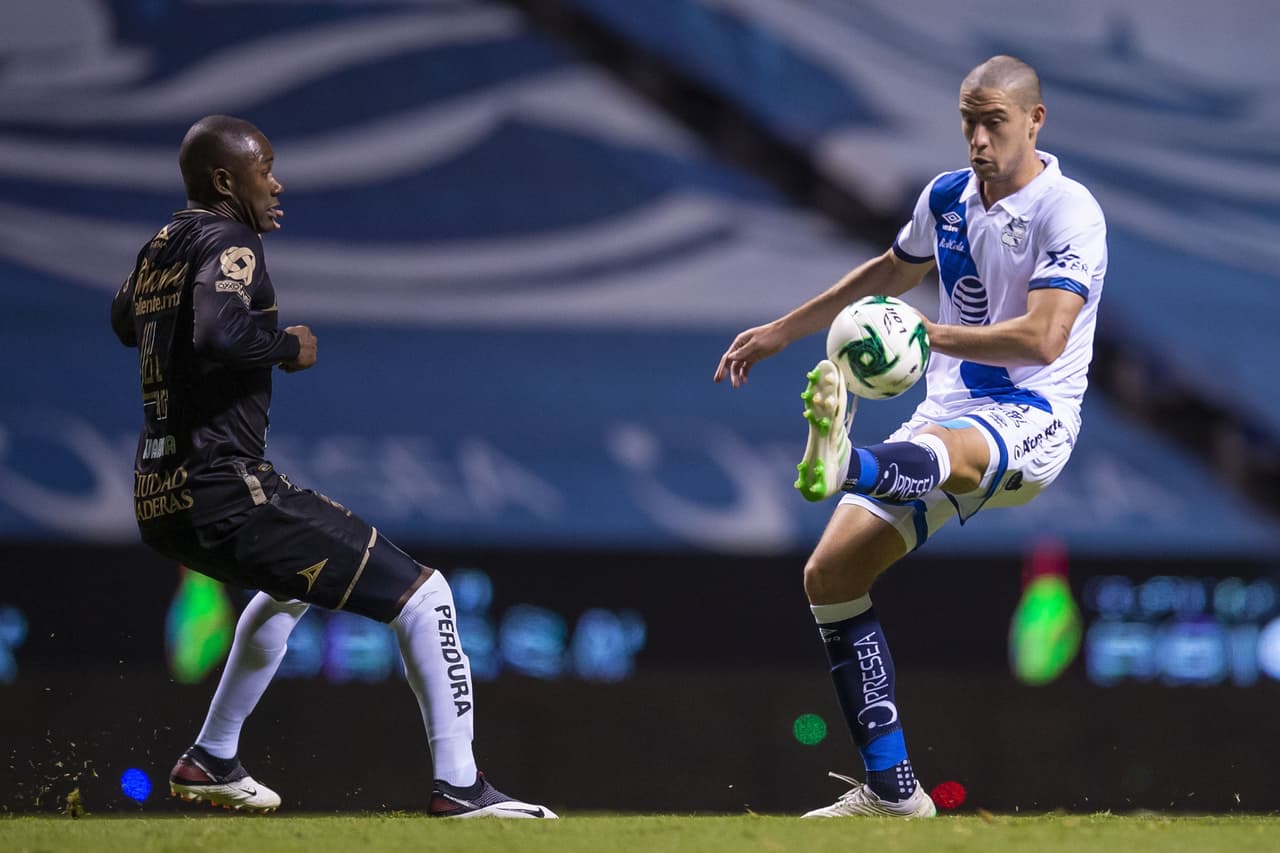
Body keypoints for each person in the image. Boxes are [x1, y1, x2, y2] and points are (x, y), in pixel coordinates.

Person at [111, 115, 556, 819]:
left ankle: (211, 758)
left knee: (288, 590)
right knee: (424, 594)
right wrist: (286, 344)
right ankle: (461, 787)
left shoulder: (162, 245)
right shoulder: (231, 239)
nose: (276, 182)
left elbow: (124, 321)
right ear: (226, 181)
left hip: (158, 494)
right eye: (265, 168)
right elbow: (216, 330)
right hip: (228, 487)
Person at [714, 55, 1105, 818]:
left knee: (947, 449)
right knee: (828, 576)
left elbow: (1045, 337)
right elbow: (887, 274)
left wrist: (932, 334)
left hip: (1033, 420)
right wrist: (783, 331)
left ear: (1035, 120)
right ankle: (895, 793)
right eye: (968, 122)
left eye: (994, 122)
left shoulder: (1070, 211)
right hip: (941, 424)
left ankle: (847, 460)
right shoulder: (948, 197)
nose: (979, 139)